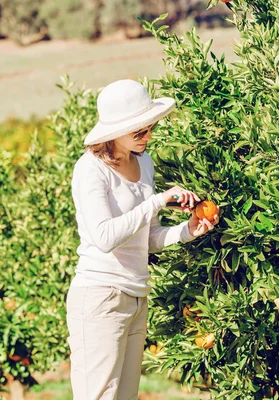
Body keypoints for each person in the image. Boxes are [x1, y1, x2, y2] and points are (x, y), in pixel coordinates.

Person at [66, 79, 219, 400]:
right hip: (100, 297)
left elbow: (146, 239)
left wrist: (188, 230)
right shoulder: (91, 170)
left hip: (136, 295)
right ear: (114, 132)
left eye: (149, 128)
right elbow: (104, 237)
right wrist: (158, 200)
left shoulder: (144, 162)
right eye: (139, 132)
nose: (147, 137)